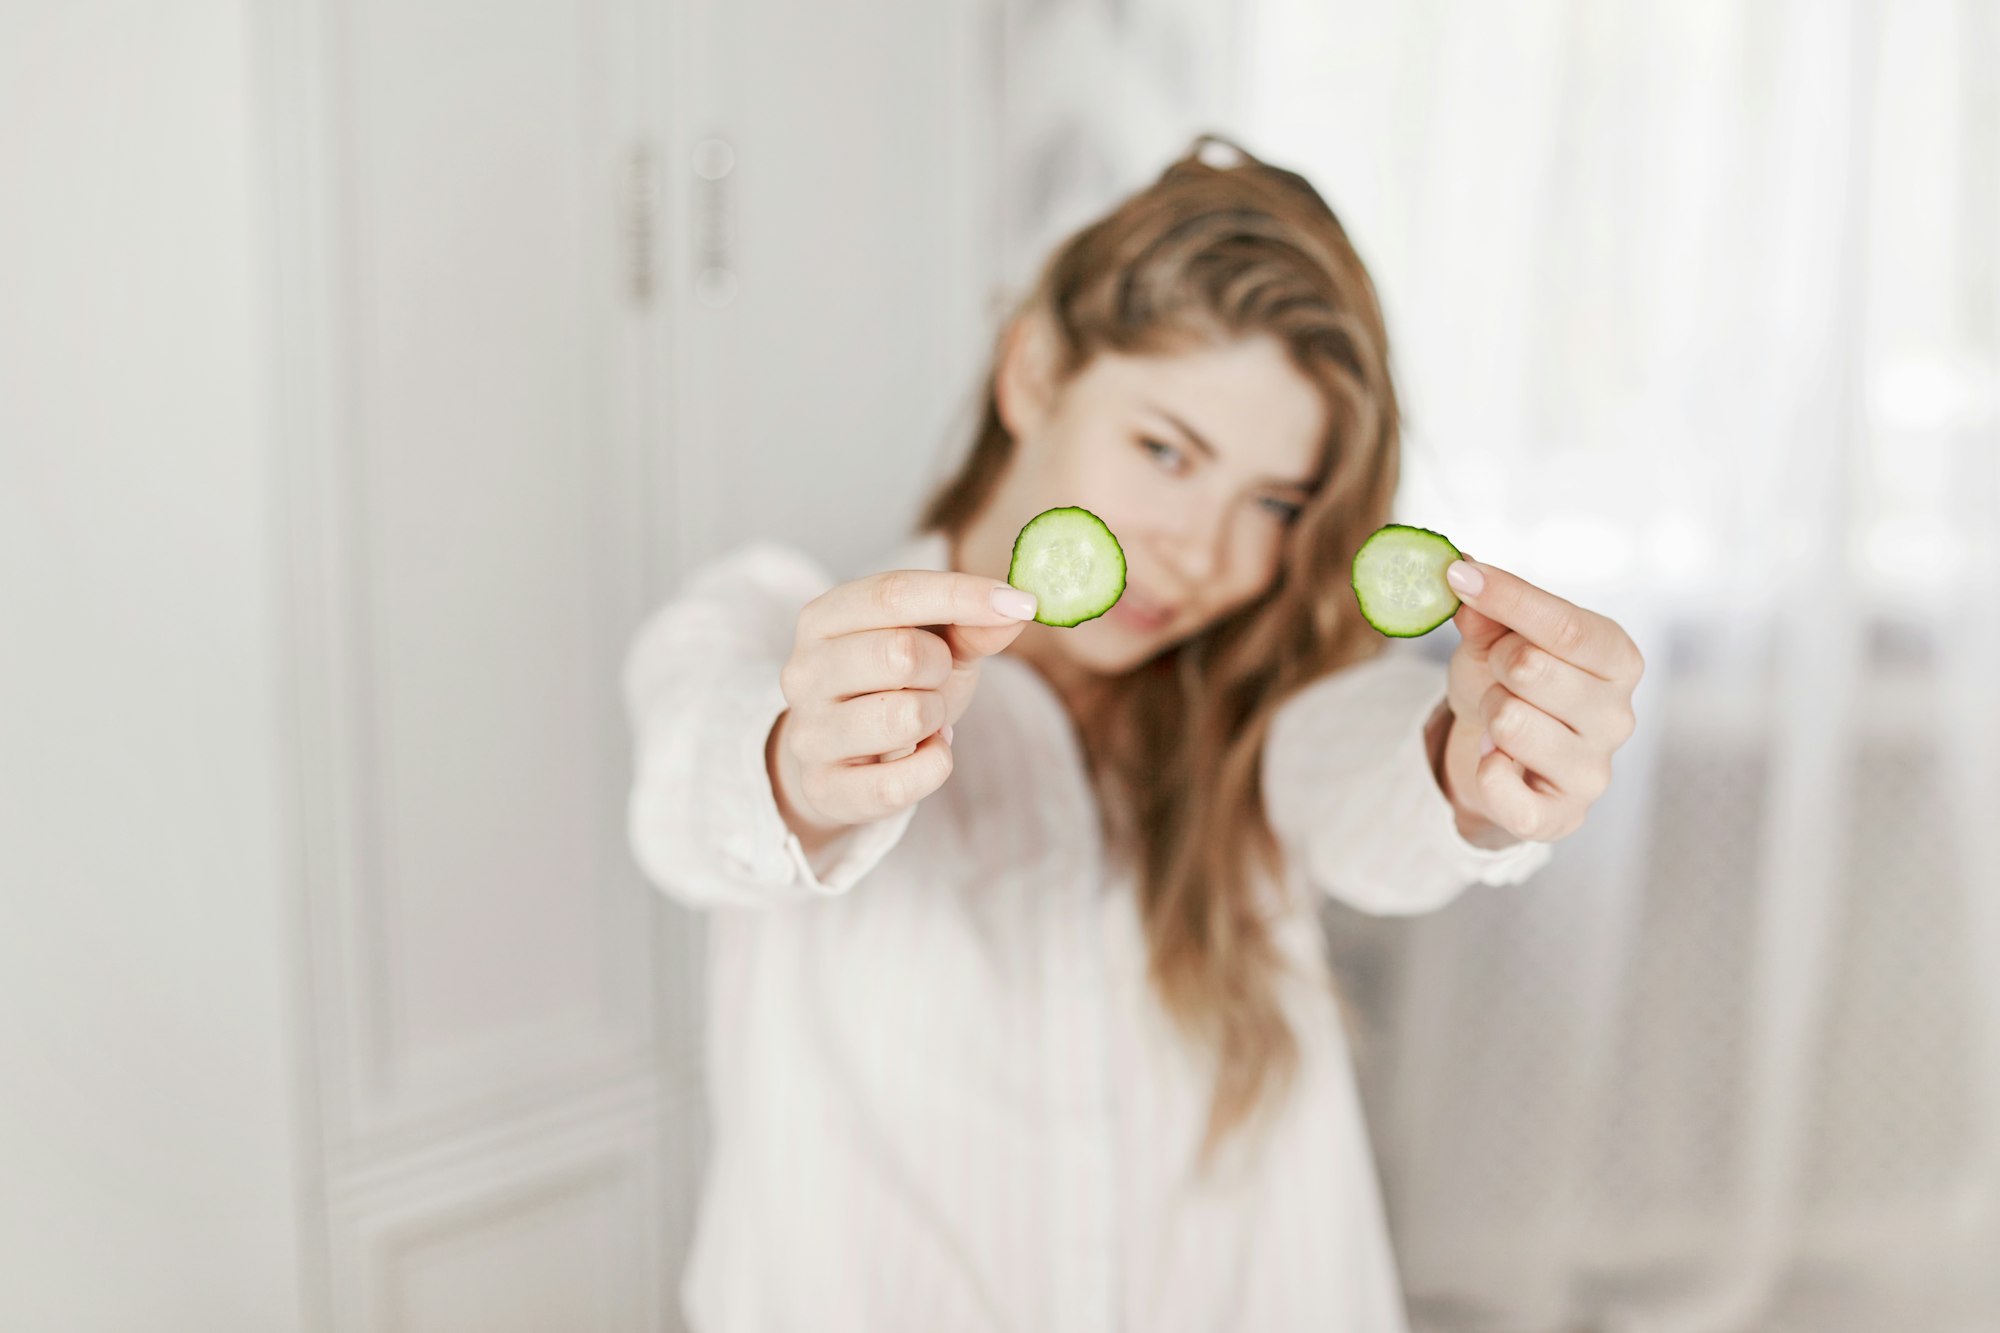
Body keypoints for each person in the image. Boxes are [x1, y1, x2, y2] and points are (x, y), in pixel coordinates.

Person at [622, 132, 1645, 1333]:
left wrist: (1467, 771)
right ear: (1034, 377)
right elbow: (693, 791)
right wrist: (802, 764)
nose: (1203, 553)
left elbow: (1365, 775)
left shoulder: (1268, 700)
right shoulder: (767, 622)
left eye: (1272, 502)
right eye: (1164, 450)